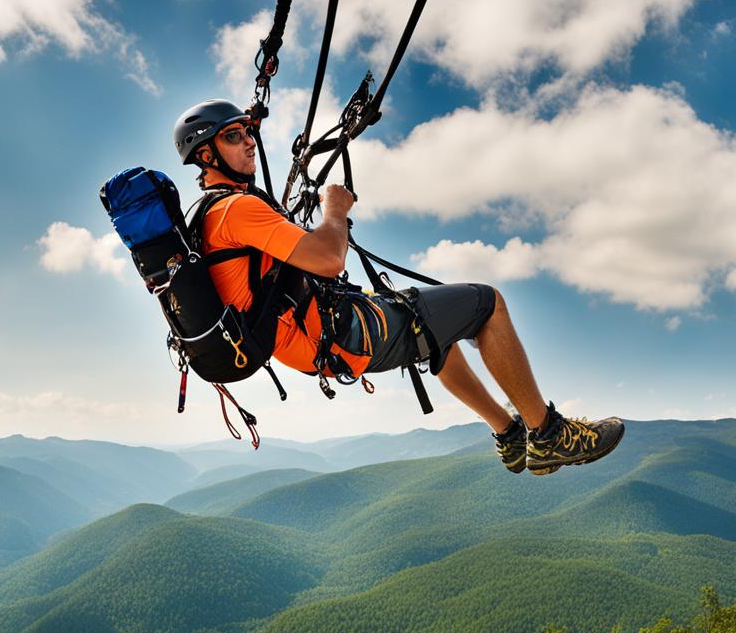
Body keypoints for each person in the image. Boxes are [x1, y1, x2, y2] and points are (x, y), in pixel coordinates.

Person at [172, 100, 623, 474]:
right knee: (487, 303)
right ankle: (547, 434)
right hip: (340, 334)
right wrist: (335, 210)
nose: (249, 141)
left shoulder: (212, 214)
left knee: (436, 331)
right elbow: (328, 258)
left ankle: (509, 435)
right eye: (233, 136)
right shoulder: (236, 210)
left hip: (314, 342)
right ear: (206, 155)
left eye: (247, 132)